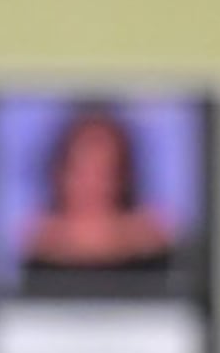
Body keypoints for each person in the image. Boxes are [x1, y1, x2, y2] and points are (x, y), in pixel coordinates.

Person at [12, 103, 180, 280]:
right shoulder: (34, 244)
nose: (92, 184)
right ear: (58, 173)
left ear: (124, 178)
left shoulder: (154, 242)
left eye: (106, 172)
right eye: (81, 170)